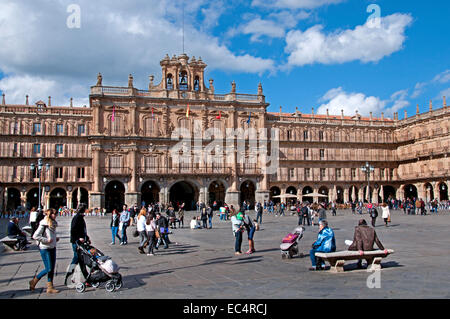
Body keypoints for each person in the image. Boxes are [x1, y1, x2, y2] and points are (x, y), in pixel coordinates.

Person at [30, 208, 60, 293]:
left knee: (52, 268)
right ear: (50, 215)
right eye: (55, 214)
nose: (56, 215)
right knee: (49, 268)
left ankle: (50, 287)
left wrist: (54, 239)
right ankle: (34, 281)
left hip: (52, 247)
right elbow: (35, 236)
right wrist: (47, 240)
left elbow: (50, 235)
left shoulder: (53, 223)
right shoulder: (44, 224)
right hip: (44, 248)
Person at [65, 204, 90, 285]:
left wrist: (87, 237)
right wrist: (79, 238)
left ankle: (86, 279)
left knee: (80, 260)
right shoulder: (77, 218)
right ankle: (69, 278)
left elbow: (82, 230)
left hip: (80, 242)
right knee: (77, 260)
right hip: (76, 243)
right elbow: (73, 230)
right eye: (86, 209)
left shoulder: (80, 217)